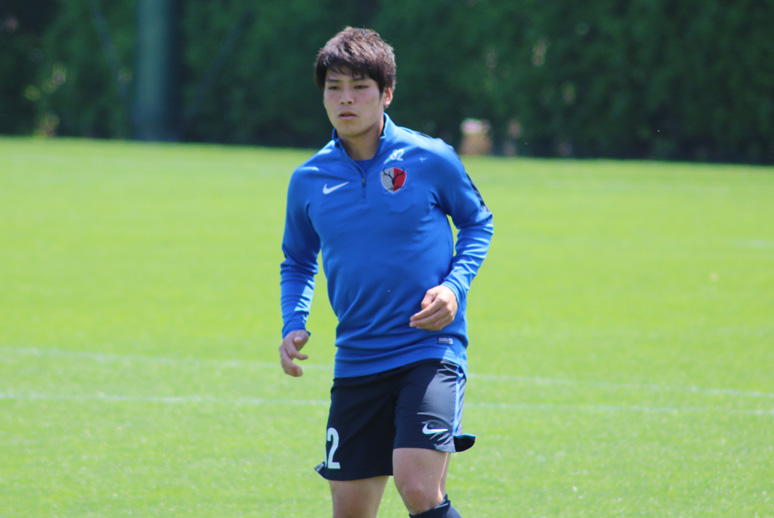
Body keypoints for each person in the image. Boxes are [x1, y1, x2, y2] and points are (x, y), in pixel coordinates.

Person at [279, 27, 493, 518]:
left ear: (387, 93)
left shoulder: (429, 158)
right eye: (334, 87)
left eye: (360, 87)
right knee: (351, 510)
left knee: (417, 484)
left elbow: (477, 222)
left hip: (429, 349)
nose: (345, 99)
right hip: (357, 359)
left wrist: (454, 288)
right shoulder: (308, 179)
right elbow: (298, 259)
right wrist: (293, 322)